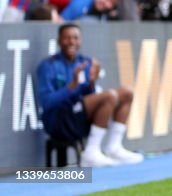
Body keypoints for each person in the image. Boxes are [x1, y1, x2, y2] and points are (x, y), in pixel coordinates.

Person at [35, 22, 143, 166]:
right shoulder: (48, 65)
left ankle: (114, 147)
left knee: (127, 93)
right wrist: (71, 87)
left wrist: (92, 82)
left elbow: (88, 95)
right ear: (59, 40)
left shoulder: (85, 62)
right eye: (67, 38)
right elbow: (47, 103)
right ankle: (91, 152)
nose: (71, 42)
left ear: (80, 40)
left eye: (75, 38)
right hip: (59, 120)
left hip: (81, 116)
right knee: (109, 96)